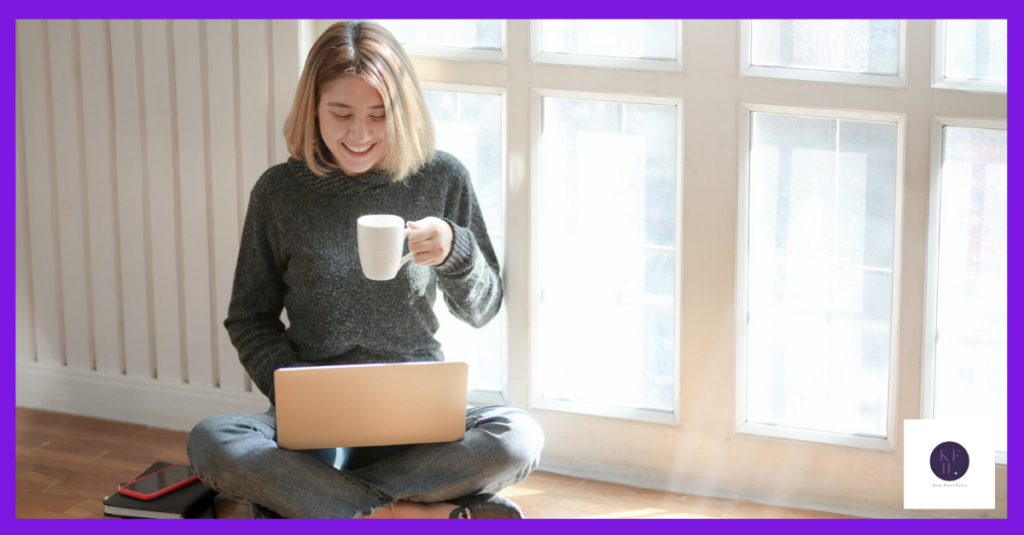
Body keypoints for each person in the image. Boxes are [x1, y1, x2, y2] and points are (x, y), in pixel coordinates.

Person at [185, 20, 545, 519]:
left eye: (379, 115)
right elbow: (249, 318)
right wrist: (296, 393)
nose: (360, 133)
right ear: (314, 107)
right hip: (316, 421)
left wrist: (455, 252)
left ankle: (320, 501)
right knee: (212, 440)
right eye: (342, 113)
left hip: (420, 416)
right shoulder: (279, 193)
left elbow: (483, 309)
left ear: (402, 111)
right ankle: (416, 512)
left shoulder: (441, 177)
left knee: (519, 436)